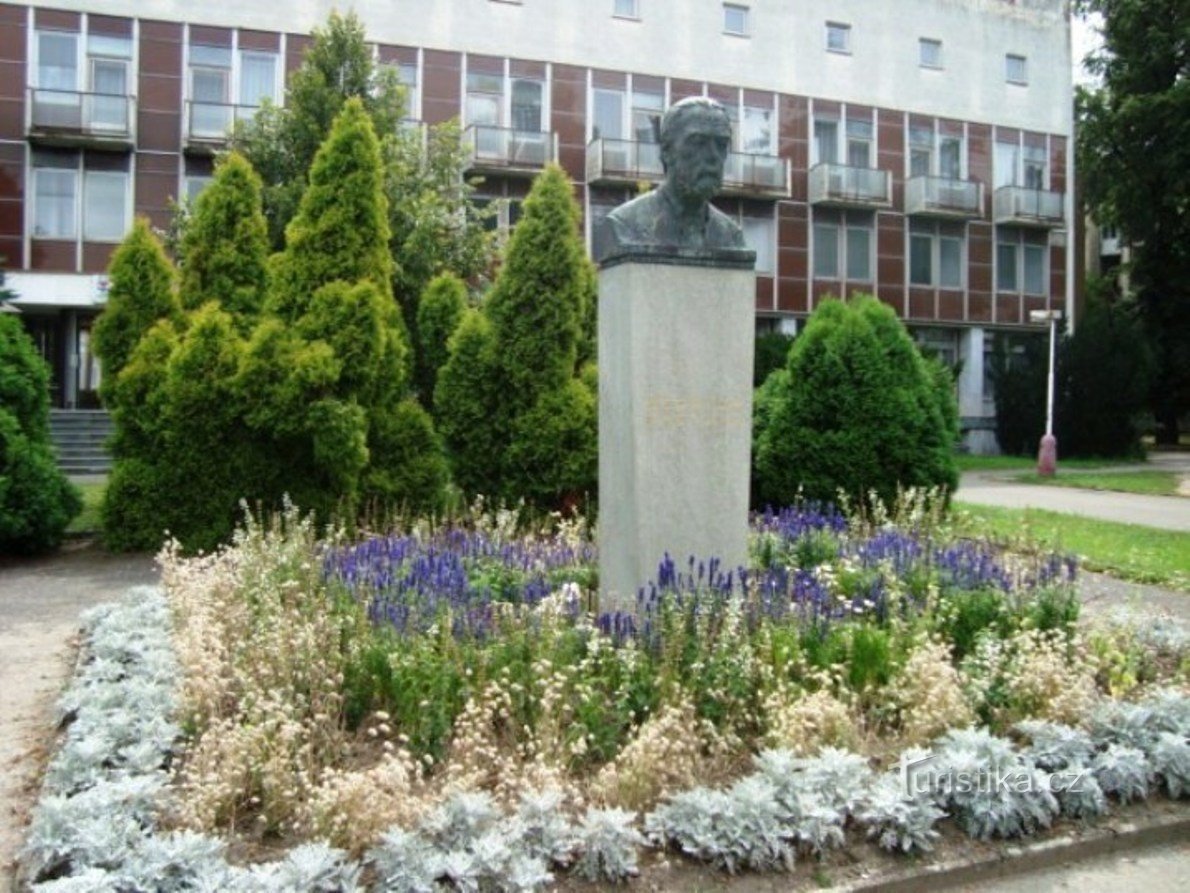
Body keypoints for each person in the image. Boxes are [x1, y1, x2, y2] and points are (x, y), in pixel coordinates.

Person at [595, 96, 749, 262]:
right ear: (666, 151)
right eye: (698, 142)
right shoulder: (624, 225)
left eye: (721, 144)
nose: (713, 156)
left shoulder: (732, 236)